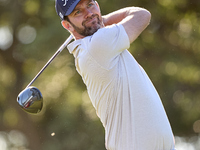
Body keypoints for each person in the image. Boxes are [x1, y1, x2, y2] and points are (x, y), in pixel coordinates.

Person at [55, 0, 176, 149]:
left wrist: (96, 19)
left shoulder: (95, 45)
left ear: (97, 4)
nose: (88, 13)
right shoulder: (97, 45)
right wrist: (102, 18)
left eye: (90, 5)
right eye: (78, 12)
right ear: (67, 25)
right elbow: (141, 15)